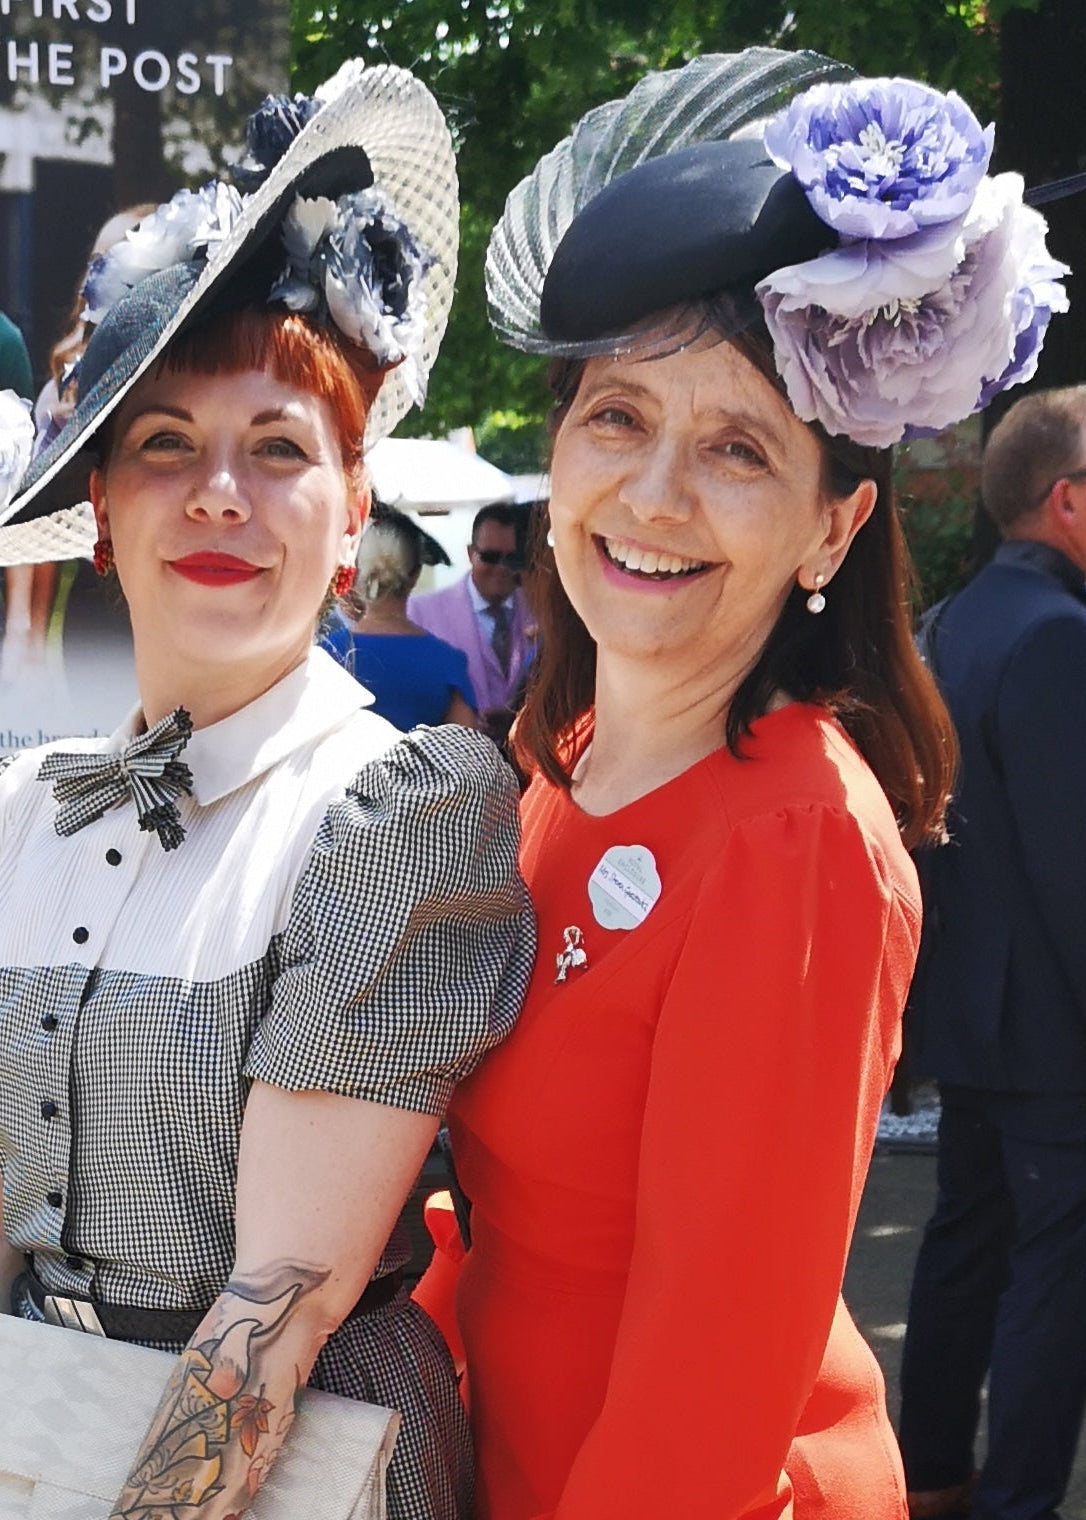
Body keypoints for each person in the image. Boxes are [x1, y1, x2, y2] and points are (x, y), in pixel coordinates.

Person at [418, 46, 1069, 1520]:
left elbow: (706, 1386)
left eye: (736, 451)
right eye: (617, 420)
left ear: (830, 532)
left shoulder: (794, 838)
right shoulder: (554, 761)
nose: (652, 497)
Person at [0, 61, 533, 1520]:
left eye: (278, 449)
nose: (220, 493)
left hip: (279, 1469)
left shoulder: (396, 808)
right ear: (99, 509)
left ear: (353, 503)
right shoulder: (26, 802)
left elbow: (280, 1309)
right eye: (164, 445)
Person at [898, 386, 1086, 1520]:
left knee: (966, 1247)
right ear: (1066, 500)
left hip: (972, 1009)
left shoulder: (954, 623)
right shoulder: (1060, 634)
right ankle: (1014, 1497)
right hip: (1050, 1026)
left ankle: (927, 1473)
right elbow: (1076, 864)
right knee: (1052, 1276)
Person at [322, 503, 479, 729]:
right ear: (415, 574)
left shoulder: (328, 656)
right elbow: (465, 752)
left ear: (360, 569)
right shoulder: (448, 662)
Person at [408, 502, 534, 742]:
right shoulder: (420, 612)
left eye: (511, 559)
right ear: (470, 553)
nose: (501, 568)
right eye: (490, 557)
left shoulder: (539, 611)